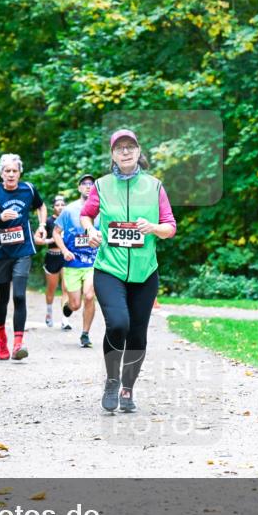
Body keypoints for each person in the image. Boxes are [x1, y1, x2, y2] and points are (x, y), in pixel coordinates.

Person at [81, 130, 176, 412]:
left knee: (138, 334)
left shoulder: (155, 186)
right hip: (109, 268)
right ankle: (112, 379)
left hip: (145, 273)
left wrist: (154, 228)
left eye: (130, 147)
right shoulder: (101, 185)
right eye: (119, 148)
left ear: (138, 151)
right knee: (118, 323)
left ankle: (127, 389)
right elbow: (87, 214)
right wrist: (90, 231)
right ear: (112, 154)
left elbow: (170, 226)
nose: (125, 152)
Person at [0, 154, 47, 360]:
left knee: (19, 296)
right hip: (1, 253)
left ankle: (18, 345)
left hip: (23, 250)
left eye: (14, 171)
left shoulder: (28, 189)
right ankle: (1, 337)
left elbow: (41, 206)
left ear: (19, 172)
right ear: (1, 173)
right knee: (3, 299)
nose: (11, 174)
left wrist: (41, 226)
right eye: (7, 171)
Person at [54, 174, 99, 348]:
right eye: (84, 184)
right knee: (75, 304)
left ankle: (85, 334)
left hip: (93, 263)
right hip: (72, 263)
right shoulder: (69, 210)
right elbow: (56, 233)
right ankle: (68, 307)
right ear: (79, 188)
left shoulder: (102, 210)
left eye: (91, 184)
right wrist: (64, 251)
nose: (88, 186)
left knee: (89, 296)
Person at [36, 195, 70, 328]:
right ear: (53, 207)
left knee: (66, 289)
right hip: (52, 257)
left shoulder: (70, 220)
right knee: (51, 289)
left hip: (66, 257)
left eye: (62, 204)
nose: (60, 207)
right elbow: (36, 239)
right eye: (57, 205)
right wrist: (50, 240)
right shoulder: (49, 222)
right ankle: (49, 312)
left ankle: (65, 319)